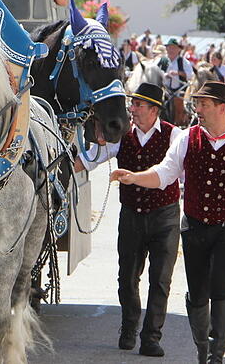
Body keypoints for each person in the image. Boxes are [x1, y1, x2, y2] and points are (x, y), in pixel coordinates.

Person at [111, 82, 225, 364]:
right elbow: (164, 173)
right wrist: (135, 177)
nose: (197, 110)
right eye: (197, 104)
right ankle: (203, 353)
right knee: (198, 292)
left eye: (203, 105)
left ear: (222, 108)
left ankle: (216, 356)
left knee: (221, 287)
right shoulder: (187, 138)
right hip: (195, 225)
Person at [77, 84, 182, 357]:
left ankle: (151, 337)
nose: (131, 110)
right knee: (127, 277)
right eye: (131, 104)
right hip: (132, 215)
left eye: (137, 105)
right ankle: (129, 327)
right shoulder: (122, 135)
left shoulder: (175, 135)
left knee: (160, 280)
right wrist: (61, 166)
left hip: (165, 216)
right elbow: (90, 159)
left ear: (154, 110)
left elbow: (180, 171)